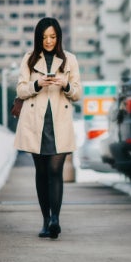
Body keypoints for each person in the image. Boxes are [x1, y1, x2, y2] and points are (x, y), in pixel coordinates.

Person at [13, 17, 82, 239]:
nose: (49, 41)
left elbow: (78, 94)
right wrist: (37, 84)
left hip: (59, 122)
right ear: (38, 38)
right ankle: (45, 221)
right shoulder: (29, 59)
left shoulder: (69, 60)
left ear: (58, 37)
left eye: (52, 37)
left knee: (55, 171)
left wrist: (65, 84)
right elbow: (21, 90)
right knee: (42, 173)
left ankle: (55, 220)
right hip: (36, 123)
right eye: (44, 37)